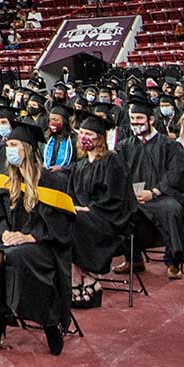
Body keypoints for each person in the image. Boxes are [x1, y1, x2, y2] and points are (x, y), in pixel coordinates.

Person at [0, 124, 75, 355]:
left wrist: (29, 236)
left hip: (43, 246)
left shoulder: (52, 181)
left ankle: (50, 324)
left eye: (13, 145)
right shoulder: (6, 181)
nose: (9, 150)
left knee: (18, 259)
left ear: (27, 149)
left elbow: (60, 224)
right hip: (10, 242)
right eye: (8, 146)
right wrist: (3, 233)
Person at [118, 102, 184, 279]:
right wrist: (130, 195)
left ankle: (173, 261)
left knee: (172, 210)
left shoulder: (169, 145)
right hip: (135, 197)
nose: (135, 123)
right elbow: (119, 174)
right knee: (117, 211)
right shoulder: (124, 146)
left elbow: (175, 174)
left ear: (151, 120)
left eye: (139, 118)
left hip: (162, 196)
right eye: (132, 119)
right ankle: (134, 259)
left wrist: (154, 192)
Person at [61, 107, 133, 305]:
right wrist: (74, 207)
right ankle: (85, 278)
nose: (85, 138)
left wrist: (90, 209)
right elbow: (71, 195)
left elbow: (116, 198)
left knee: (75, 222)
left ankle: (80, 279)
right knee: (64, 219)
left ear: (100, 138)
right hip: (83, 218)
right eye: (82, 133)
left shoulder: (112, 161)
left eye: (90, 134)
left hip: (109, 220)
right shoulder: (80, 164)